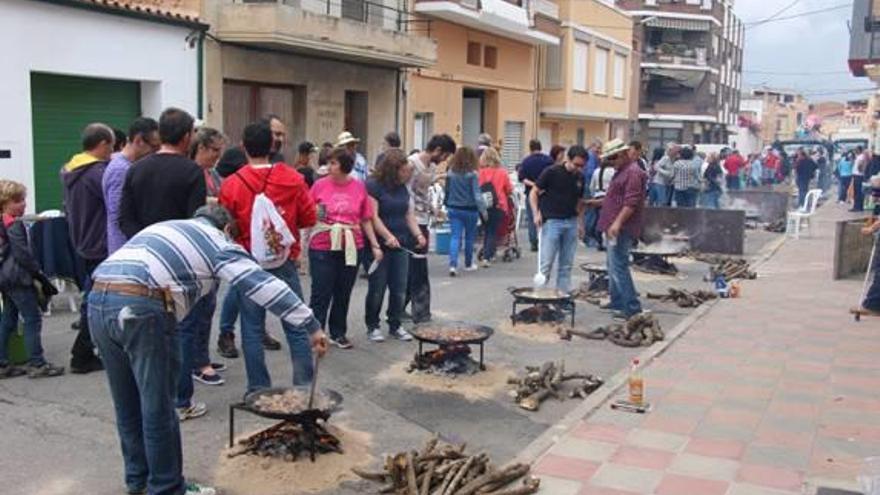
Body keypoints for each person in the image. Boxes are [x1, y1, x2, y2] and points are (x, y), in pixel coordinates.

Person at [89, 204, 327, 495]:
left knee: (126, 402)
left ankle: (138, 481)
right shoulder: (217, 242)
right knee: (158, 406)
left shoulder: (168, 225)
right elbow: (261, 284)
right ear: (227, 229)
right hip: (142, 308)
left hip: (98, 301)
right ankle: (166, 488)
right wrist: (311, 324)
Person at [118, 108, 211, 418]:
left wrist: (145, 240)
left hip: (143, 261)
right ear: (186, 137)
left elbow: (123, 218)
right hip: (180, 262)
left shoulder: (137, 169)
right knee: (182, 330)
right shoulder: (191, 172)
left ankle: (153, 398)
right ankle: (181, 401)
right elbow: (197, 222)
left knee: (146, 331)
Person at [219, 121, 317, 393]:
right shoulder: (293, 178)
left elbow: (227, 227)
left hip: (247, 263)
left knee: (251, 328)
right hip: (283, 260)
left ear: (243, 147)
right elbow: (309, 217)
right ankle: (304, 386)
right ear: (273, 145)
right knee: (295, 322)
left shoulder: (232, 184)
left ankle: (258, 388)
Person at [309, 148, 381, 349]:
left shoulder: (359, 187)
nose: (328, 167)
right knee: (320, 291)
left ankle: (338, 331)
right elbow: (307, 213)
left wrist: (375, 245)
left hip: (351, 244)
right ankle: (316, 332)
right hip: (323, 244)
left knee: (343, 290)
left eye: (333, 163)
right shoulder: (318, 186)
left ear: (344, 166)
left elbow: (365, 219)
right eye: (328, 163)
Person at [62, 122, 114, 374]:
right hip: (99, 244)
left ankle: (83, 352)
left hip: (81, 242)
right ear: (102, 144)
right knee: (96, 302)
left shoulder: (72, 170)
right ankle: (82, 353)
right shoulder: (98, 173)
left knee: (89, 299)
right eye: (111, 145)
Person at [0, 180, 65, 378]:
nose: (24, 205)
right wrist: (37, 272)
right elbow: (22, 254)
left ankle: (2, 363)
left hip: (5, 277)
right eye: (18, 201)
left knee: (9, 319)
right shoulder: (14, 225)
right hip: (18, 277)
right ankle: (37, 362)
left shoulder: (2, 221)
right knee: (32, 319)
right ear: (5, 202)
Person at [366, 149, 426, 341]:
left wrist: (418, 234)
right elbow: (372, 216)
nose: (408, 174)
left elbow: (408, 214)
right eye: (405, 171)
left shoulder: (402, 188)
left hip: (402, 244)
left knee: (399, 287)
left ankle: (395, 323)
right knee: (378, 288)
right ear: (394, 170)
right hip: (380, 245)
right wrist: (387, 236)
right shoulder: (373, 186)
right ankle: (372, 325)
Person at [185, 127, 227, 388]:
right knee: (195, 309)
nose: (217, 156)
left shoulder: (213, 174)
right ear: (200, 148)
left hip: (212, 249)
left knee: (208, 306)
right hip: (195, 251)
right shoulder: (190, 174)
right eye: (214, 150)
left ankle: (202, 356)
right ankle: (197, 363)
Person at [592, 139, 648, 320]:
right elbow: (615, 198)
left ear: (623, 154)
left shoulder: (632, 173)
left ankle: (632, 306)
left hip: (621, 228)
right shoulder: (622, 171)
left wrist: (617, 223)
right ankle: (617, 300)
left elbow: (630, 203)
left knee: (619, 266)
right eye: (609, 159)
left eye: (613, 157)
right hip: (613, 225)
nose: (612, 162)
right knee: (612, 265)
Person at [405, 134, 456, 324]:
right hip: (411, 221)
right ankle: (419, 312)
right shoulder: (412, 164)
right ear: (437, 150)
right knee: (415, 268)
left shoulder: (431, 167)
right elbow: (406, 193)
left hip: (424, 219)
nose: (443, 161)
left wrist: (434, 210)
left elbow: (424, 194)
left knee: (416, 267)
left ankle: (412, 309)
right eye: (445, 156)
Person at [530, 145, 587, 294]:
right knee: (546, 263)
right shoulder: (552, 172)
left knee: (566, 264)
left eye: (582, 166)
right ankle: (540, 296)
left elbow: (580, 201)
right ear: (568, 159)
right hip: (552, 221)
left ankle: (562, 295)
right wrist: (536, 213)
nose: (579, 168)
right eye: (576, 165)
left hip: (571, 221)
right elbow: (534, 192)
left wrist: (581, 223)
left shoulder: (580, 177)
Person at [103, 117, 160, 255]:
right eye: (154, 147)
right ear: (139, 141)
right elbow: (118, 215)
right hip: (125, 248)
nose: (156, 152)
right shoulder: (121, 170)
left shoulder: (129, 167)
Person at [215, 147, 249, 359]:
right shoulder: (235, 162)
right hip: (237, 239)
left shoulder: (273, 163)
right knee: (237, 289)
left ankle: (259, 331)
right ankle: (226, 333)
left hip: (263, 243)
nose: (279, 140)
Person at [445, 147, 487, 276]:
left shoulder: (451, 173)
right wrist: (484, 211)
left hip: (453, 208)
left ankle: (453, 265)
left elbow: (446, 191)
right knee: (469, 237)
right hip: (470, 209)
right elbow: (477, 195)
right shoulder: (472, 175)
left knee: (455, 237)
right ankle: (468, 263)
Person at [477, 147, 513, 266]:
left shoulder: (480, 172)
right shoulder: (502, 172)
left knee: (487, 229)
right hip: (499, 205)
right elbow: (509, 189)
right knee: (493, 231)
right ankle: (488, 256)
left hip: (484, 205)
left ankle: (489, 253)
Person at [517, 140, 555, 252]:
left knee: (532, 216)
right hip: (546, 192)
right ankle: (545, 239)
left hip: (530, 193)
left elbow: (522, 178)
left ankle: (534, 241)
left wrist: (534, 185)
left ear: (530, 148)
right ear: (541, 147)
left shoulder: (526, 161)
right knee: (546, 216)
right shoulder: (549, 160)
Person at [585, 157, 616, 250]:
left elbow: (591, 187)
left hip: (597, 196)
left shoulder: (596, 171)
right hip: (609, 197)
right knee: (609, 220)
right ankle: (607, 242)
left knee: (598, 219)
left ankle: (598, 241)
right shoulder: (614, 171)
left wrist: (594, 196)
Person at [852, 147, 869, 212]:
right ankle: (858, 207)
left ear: (859, 150)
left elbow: (861, 165)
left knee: (857, 192)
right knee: (858, 192)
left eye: (856, 149)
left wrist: (859, 170)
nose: (855, 151)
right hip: (858, 175)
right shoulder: (860, 156)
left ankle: (857, 207)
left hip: (858, 176)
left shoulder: (861, 157)